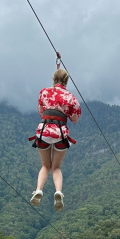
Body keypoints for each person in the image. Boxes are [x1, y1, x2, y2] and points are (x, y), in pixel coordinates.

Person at [29, 68, 81, 212]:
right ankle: (58, 192)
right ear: (66, 80)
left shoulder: (44, 92)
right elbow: (75, 118)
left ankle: (39, 189)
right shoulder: (71, 97)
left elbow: (41, 111)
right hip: (60, 133)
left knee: (45, 165)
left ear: (54, 78)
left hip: (44, 130)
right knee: (56, 167)